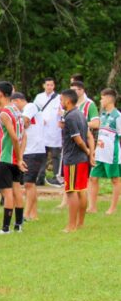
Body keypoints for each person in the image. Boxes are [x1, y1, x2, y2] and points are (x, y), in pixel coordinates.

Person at [0, 82, 28, 235]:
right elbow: (23, 135)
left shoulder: (5, 113)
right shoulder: (17, 111)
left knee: (7, 193)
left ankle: (5, 228)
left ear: (0, 95)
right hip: (14, 158)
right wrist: (20, 155)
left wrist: (19, 157)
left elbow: (13, 136)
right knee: (17, 191)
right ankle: (18, 225)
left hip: (6, 158)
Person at [61, 89, 94, 232]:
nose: (60, 103)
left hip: (73, 158)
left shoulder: (70, 117)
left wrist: (87, 151)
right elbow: (88, 135)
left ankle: (71, 225)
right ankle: (80, 223)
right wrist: (89, 154)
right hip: (81, 159)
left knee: (71, 191)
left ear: (68, 101)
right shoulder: (80, 113)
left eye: (61, 100)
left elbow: (78, 138)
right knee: (81, 190)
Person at [12, 92, 46, 221]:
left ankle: (25, 214)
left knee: (28, 184)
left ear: (18, 100)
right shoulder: (29, 109)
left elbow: (25, 122)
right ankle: (33, 213)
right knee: (30, 184)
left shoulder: (30, 106)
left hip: (34, 150)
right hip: (29, 150)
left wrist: (17, 121)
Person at [88, 88, 121, 215]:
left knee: (115, 179)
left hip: (112, 154)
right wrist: (95, 149)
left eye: (102, 98)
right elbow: (101, 135)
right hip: (100, 153)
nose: (101, 100)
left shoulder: (117, 117)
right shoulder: (103, 115)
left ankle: (113, 208)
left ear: (108, 98)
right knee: (93, 178)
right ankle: (92, 207)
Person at [34, 77, 63, 187]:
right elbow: (35, 111)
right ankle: (40, 177)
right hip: (42, 131)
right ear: (44, 86)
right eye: (47, 85)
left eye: (51, 85)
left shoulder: (59, 98)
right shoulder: (39, 97)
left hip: (55, 132)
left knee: (56, 155)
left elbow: (62, 111)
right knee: (42, 155)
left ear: (54, 86)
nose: (49, 87)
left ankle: (57, 177)